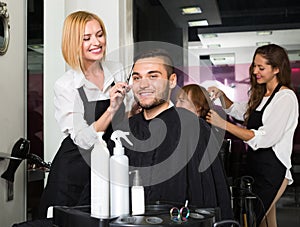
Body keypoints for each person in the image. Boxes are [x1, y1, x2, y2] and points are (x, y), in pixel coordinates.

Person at [113, 49, 233, 221]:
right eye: (137, 77)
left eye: (153, 76)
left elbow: (208, 196)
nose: (143, 84)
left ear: (172, 81)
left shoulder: (192, 127)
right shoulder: (125, 130)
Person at [39, 11, 131, 218]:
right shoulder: (66, 85)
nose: (96, 42)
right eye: (86, 38)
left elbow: (130, 115)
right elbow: (83, 139)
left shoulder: (117, 71)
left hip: (111, 160)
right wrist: (112, 109)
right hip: (75, 167)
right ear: (73, 43)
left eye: (100, 34)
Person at [206, 44, 299, 227]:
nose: (255, 71)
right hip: (256, 166)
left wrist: (223, 124)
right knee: (265, 220)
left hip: (274, 169)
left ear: (277, 69)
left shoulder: (286, 97)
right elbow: (240, 111)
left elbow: (264, 138)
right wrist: (221, 95)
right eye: (254, 66)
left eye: (261, 67)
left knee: (255, 219)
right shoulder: (262, 94)